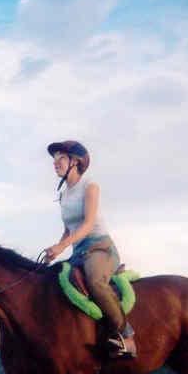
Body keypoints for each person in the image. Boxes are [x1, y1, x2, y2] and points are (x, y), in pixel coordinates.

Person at [45, 140, 137, 359]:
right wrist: (56, 249)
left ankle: (127, 336)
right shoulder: (63, 195)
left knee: (95, 281)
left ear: (75, 162)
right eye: (54, 159)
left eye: (61, 159)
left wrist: (62, 246)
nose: (55, 164)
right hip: (78, 252)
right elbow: (69, 229)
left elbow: (87, 225)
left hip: (100, 247)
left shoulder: (90, 186)